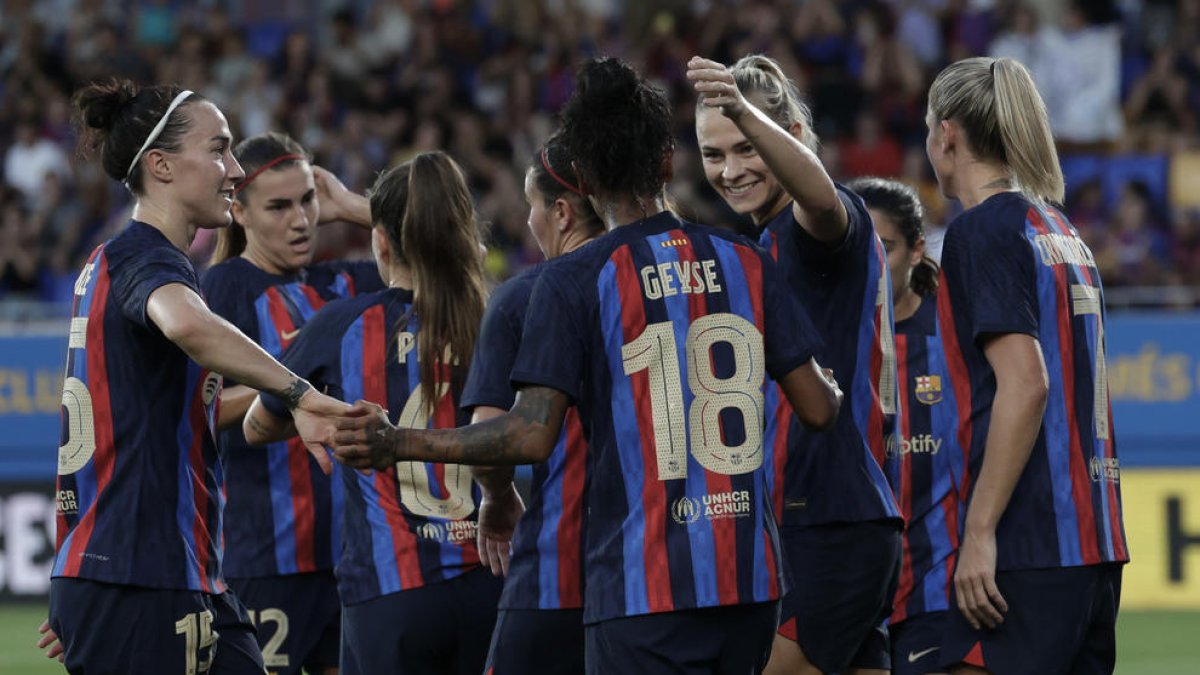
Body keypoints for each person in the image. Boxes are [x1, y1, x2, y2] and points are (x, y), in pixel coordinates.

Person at [331, 57, 844, 675]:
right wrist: (831, 386)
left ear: (585, 180)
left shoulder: (574, 279)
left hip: (642, 588)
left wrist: (400, 442)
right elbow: (819, 408)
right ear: (667, 163)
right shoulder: (745, 258)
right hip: (749, 583)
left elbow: (528, 435)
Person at [48, 80, 347, 675]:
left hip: (161, 574)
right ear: (161, 165)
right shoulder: (145, 256)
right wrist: (298, 392)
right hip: (139, 577)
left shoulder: (116, 260)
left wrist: (84, 575)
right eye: (219, 149)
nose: (234, 169)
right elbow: (187, 324)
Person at [242, 151, 503, 675]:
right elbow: (463, 255)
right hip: (486, 579)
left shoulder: (339, 326)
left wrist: (317, 415)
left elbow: (256, 425)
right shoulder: (491, 316)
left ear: (380, 242)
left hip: (391, 591)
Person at [688, 54, 902, 675]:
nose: (730, 170)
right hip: (827, 518)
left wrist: (741, 110)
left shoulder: (815, 227)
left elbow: (822, 199)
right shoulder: (764, 244)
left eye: (746, 146)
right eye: (713, 154)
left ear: (793, 137)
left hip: (829, 516)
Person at [926, 57, 1128, 674]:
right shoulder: (1063, 231)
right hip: (1094, 541)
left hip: (1028, 540)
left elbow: (1026, 382)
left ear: (947, 134)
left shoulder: (982, 231)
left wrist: (979, 530)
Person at [200, 131, 384, 675]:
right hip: (265, 557)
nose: (301, 220)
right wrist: (290, 388)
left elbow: (454, 258)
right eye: (278, 206)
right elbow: (194, 408)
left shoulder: (343, 282)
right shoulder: (222, 288)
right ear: (239, 213)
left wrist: (352, 206)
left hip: (351, 559)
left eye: (307, 200)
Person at [465, 134, 604, 675]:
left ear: (562, 212)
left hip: (557, 569)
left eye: (533, 205)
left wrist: (497, 499)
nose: (528, 220)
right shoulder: (650, 280)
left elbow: (490, 442)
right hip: (662, 571)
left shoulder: (522, 296)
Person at [850, 177, 962, 675]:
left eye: (885, 249)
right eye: (861, 250)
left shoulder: (954, 336)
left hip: (937, 591)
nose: (871, 265)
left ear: (917, 250)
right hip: (850, 596)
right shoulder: (826, 342)